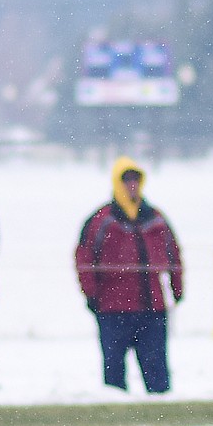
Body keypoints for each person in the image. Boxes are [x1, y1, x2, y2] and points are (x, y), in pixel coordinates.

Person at [74, 157, 183, 394]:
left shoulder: (155, 218)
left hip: (152, 307)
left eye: (135, 180)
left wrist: (177, 289)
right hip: (113, 309)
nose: (131, 185)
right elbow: (84, 258)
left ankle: (159, 415)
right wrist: (92, 295)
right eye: (126, 180)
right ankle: (116, 416)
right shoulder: (101, 220)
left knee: (157, 372)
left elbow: (174, 255)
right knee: (114, 373)